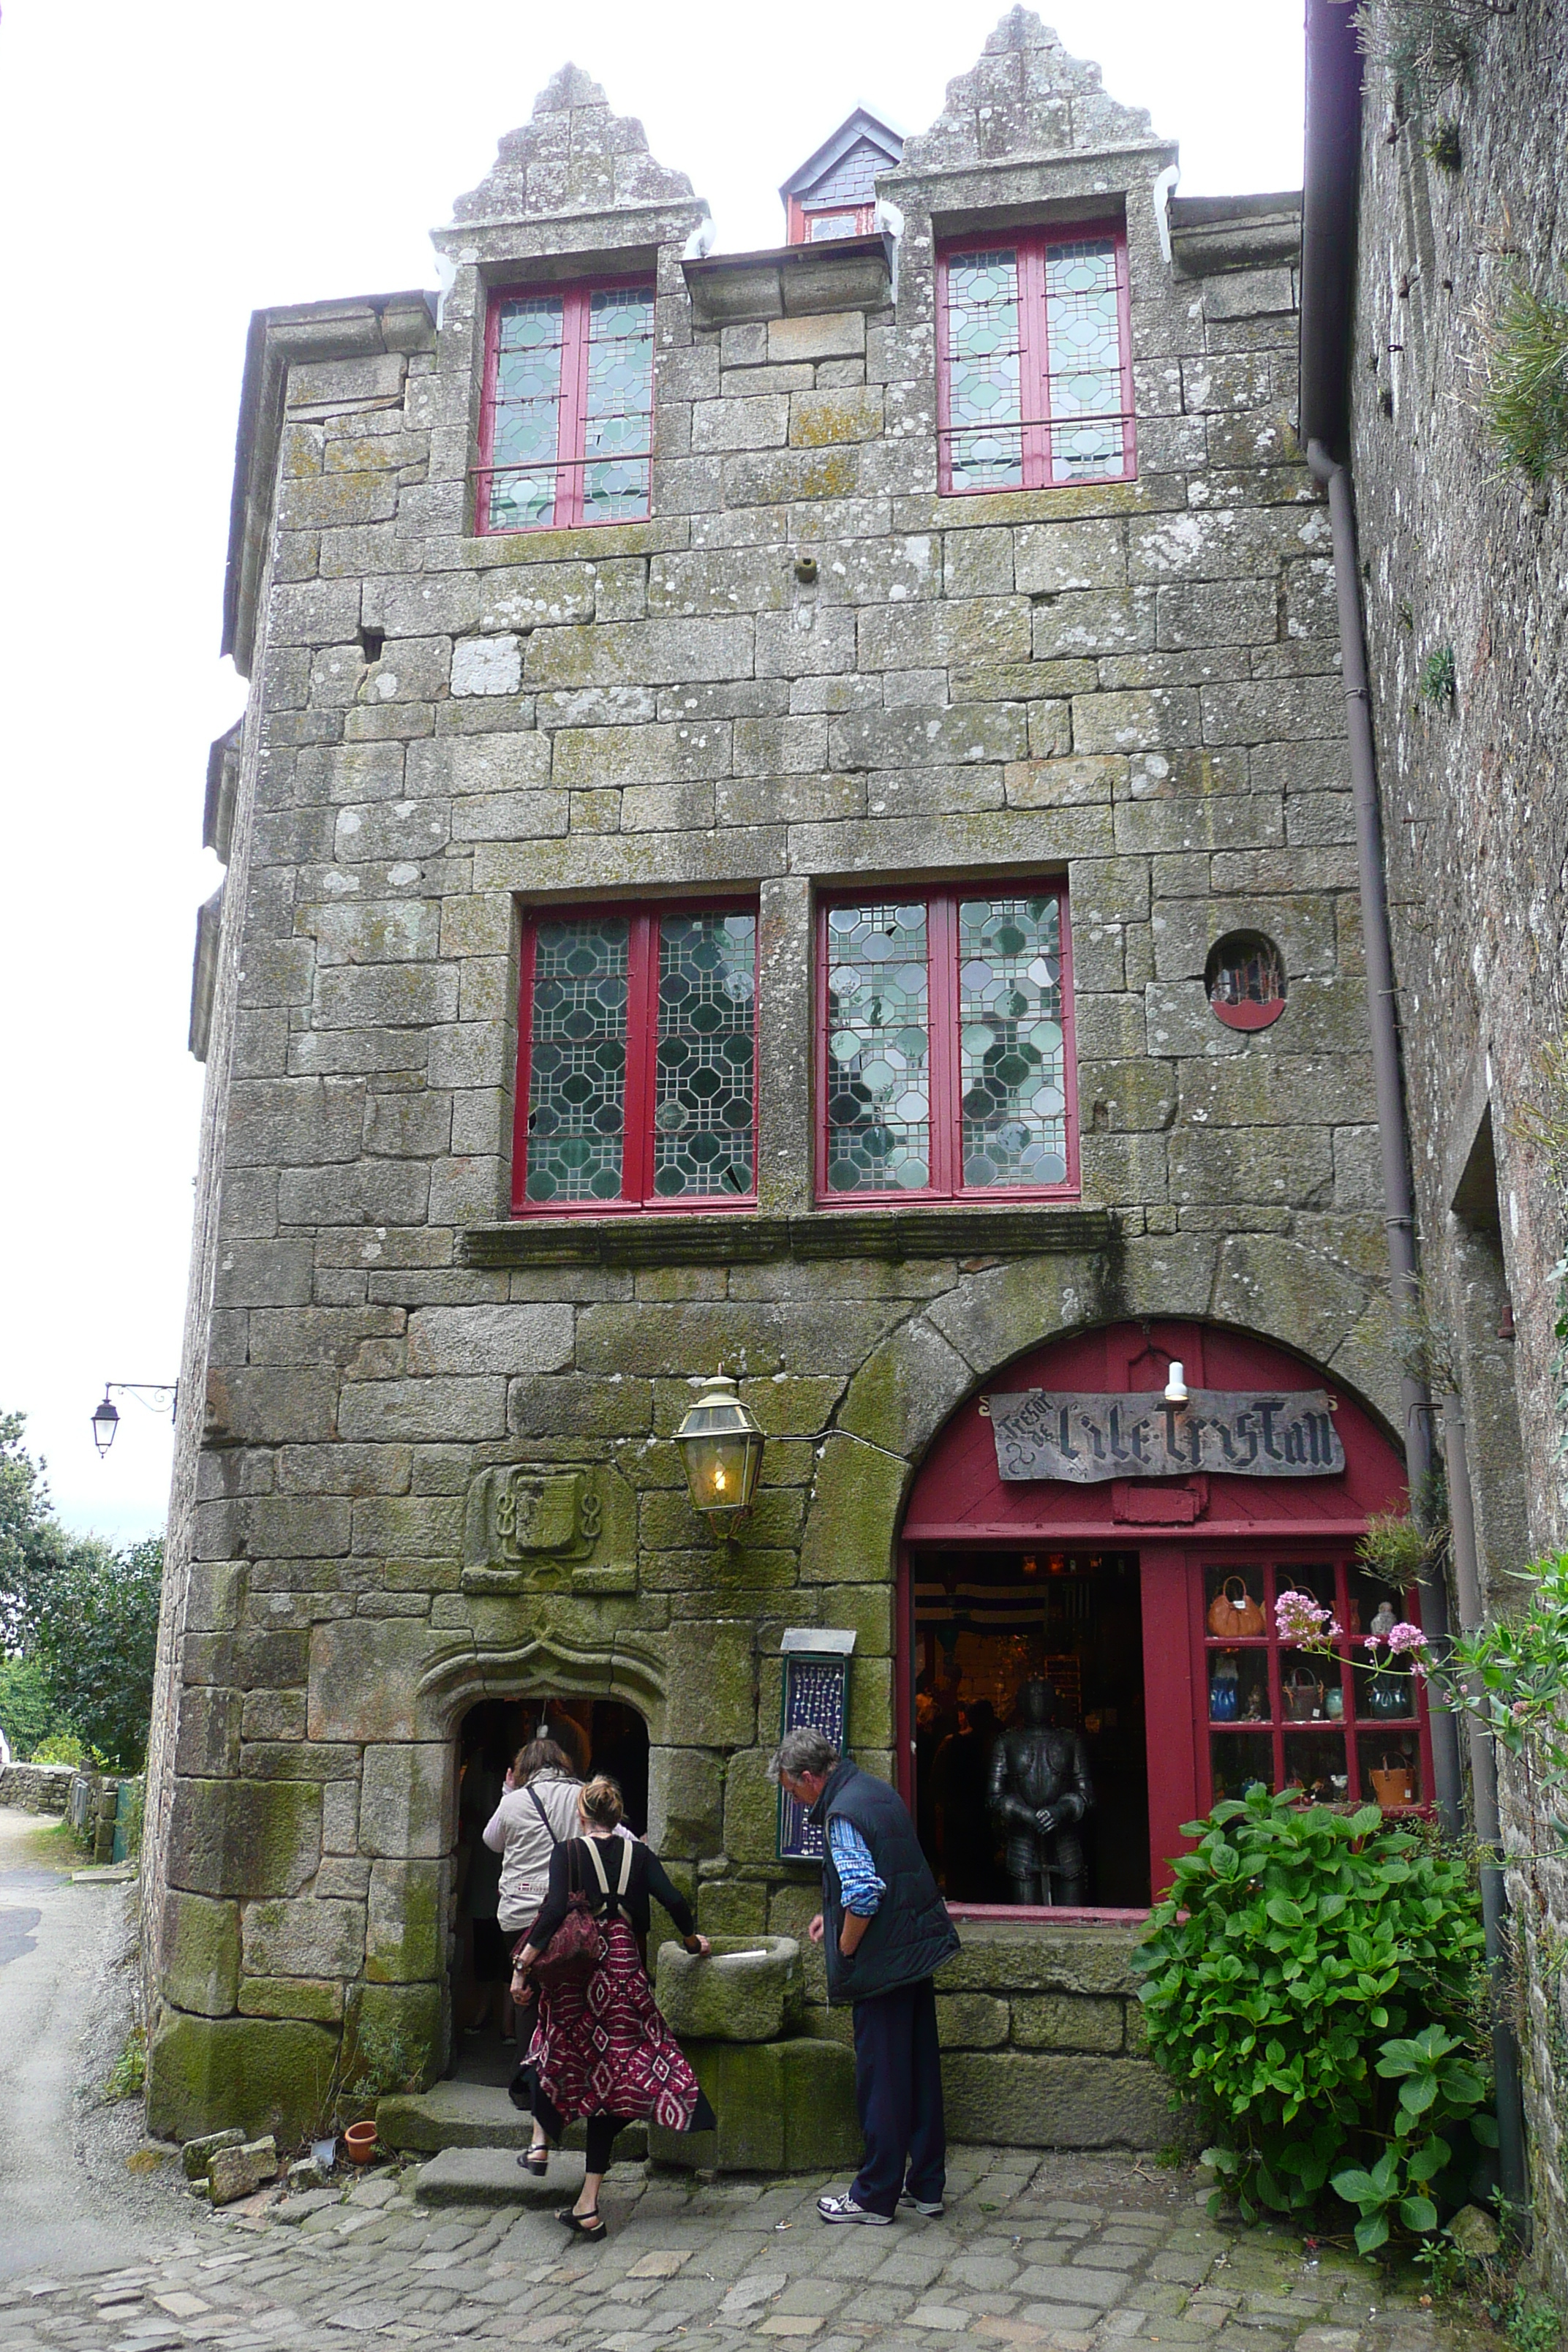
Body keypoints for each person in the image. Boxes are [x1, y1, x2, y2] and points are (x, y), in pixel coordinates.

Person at [510, 1776, 715, 2241]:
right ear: (618, 1817)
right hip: (623, 1971)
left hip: (579, 1975)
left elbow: (552, 1912)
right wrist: (690, 1939)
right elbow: (674, 1899)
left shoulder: (568, 1852)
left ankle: (543, 2143)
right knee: (620, 2073)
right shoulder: (637, 1854)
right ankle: (584, 2198)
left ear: (581, 1815)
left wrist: (523, 1964)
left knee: (551, 2051)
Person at [770, 1727, 960, 2227]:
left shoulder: (840, 1813)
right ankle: (927, 2187)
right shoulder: (873, 1790)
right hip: (915, 1952)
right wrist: (827, 1917)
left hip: (883, 1964)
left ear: (810, 1778)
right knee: (919, 2072)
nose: (794, 1798)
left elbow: (865, 1895)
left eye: (792, 1789)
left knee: (881, 2080)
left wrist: (845, 1945)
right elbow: (888, 1870)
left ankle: (874, 2196)